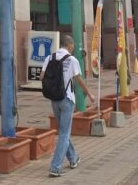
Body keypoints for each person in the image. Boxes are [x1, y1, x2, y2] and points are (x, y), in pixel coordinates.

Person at [40, 34, 95, 178]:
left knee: (64, 130)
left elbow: (41, 77)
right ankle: (55, 166)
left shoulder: (49, 58)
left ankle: (73, 158)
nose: (73, 48)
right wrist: (89, 94)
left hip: (54, 100)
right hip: (67, 100)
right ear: (69, 45)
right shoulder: (72, 60)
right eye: (73, 46)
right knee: (64, 133)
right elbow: (79, 80)